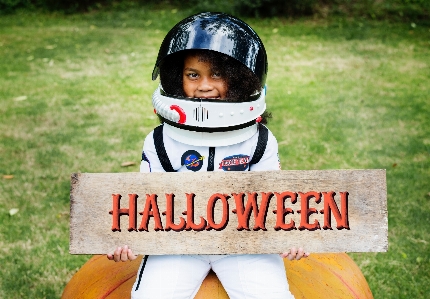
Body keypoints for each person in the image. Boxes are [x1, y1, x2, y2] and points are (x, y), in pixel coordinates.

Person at [107, 12, 308, 299]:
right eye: (193, 75)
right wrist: (128, 237)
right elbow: (146, 204)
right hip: (176, 243)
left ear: (240, 79)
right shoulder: (161, 141)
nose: (204, 85)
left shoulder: (260, 140)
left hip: (244, 244)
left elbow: (272, 200)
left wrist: (288, 233)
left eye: (217, 74)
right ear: (177, 78)